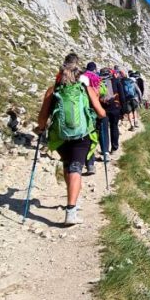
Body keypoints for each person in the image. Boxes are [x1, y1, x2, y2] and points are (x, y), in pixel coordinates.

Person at [35, 53, 106, 226]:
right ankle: (71, 210)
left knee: (68, 165)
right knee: (76, 168)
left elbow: (43, 117)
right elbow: (101, 113)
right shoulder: (84, 89)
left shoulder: (53, 90)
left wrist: (41, 128)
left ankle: (72, 200)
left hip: (60, 136)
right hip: (82, 135)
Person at [99, 66, 123, 153]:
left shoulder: (98, 82)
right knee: (114, 126)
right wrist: (122, 109)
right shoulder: (116, 81)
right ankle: (114, 147)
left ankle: (105, 150)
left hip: (103, 108)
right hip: (115, 107)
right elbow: (121, 95)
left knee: (104, 129)